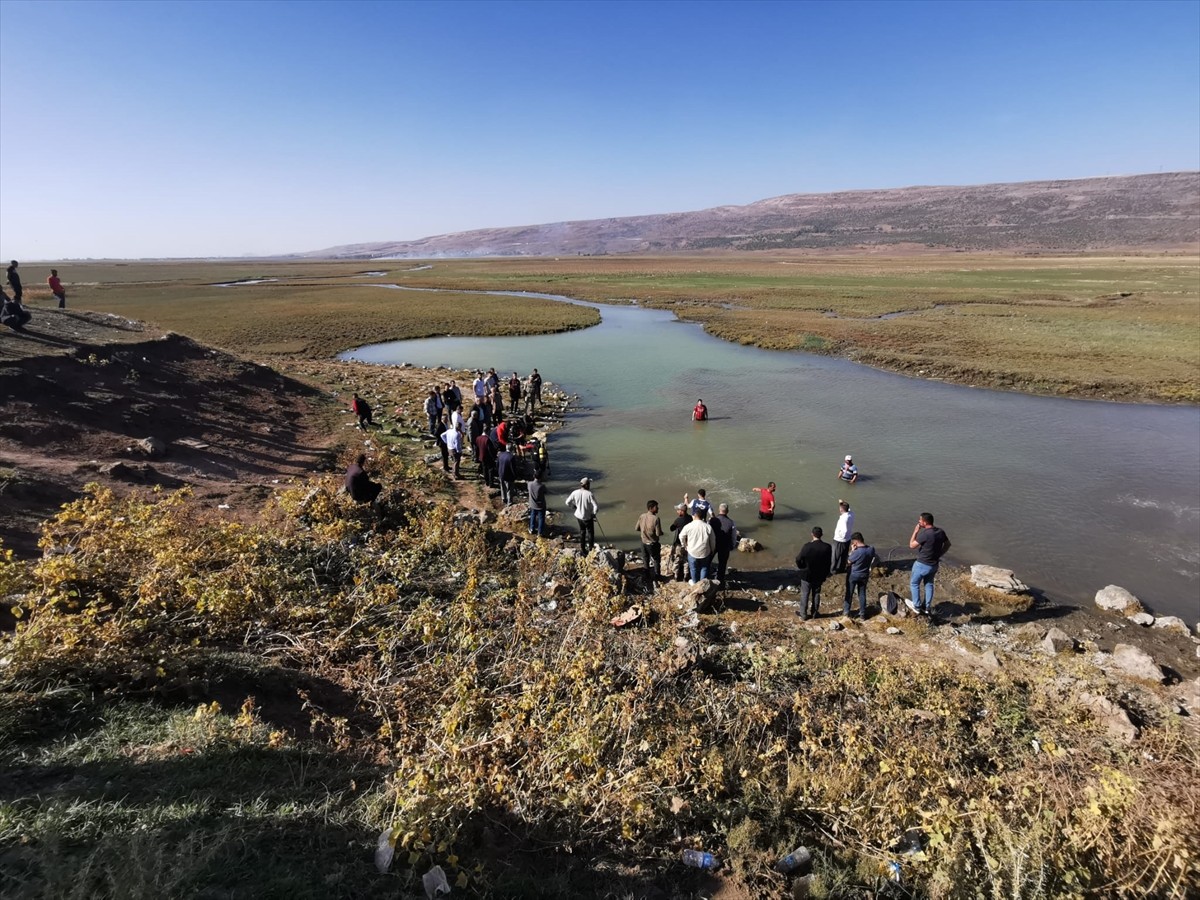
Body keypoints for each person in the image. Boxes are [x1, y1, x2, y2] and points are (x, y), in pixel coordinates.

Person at [908, 512, 951, 616]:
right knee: (929, 584)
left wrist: (915, 531)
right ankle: (927, 607)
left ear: (924, 522)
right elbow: (948, 544)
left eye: (920, 520)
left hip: (922, 564)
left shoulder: (925, 534)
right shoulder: (940, 532)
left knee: (914, 584)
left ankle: (917, 606)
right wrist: (939, 554)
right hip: (934, 565)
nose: (918, 522)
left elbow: (912, 545)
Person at [795, 526, 833, 620]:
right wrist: (826, 573)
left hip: (807, 574)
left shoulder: (807, 546)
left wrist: (801, 567)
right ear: (822, 535)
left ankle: (803, 614)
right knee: (816, 593)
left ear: (812, 534)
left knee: (805, 594)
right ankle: (815, 613)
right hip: (819, 574)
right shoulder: (827, 547)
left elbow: (798, 559)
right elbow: (828, 562)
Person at [678, 508, 717, 584]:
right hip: (705, 552)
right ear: (702, 516)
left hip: (692, 551)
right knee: (704, 568)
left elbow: (681, 536)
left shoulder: (688, 526)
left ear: (693, 516)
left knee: (693, 569)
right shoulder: (707, 527)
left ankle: (695, 583)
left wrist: (685, 545)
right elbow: (713, 540)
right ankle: (702, 584)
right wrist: (712, 549)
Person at [844, 532, 876, 620]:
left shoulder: (857, 552)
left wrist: (852, 551)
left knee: (849, 593)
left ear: (855, 542)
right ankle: (862, 614)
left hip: (854, 575)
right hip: (865, 574)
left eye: (852, 542)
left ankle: (846, 612)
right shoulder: (871, 549)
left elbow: (848, 562)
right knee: (862, 593)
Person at [565, 477, 599, 554]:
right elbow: (596, 507)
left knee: (582, 531)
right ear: (586, 485)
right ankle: (590, 549)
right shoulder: (589, 494)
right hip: (587, 517)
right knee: (590, 533)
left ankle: (583, 549)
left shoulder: (575, 492)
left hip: (578, 516)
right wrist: (594, 514)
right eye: (589, 484)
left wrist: (573, 506)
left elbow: (567, 502)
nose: (590, 485)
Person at [712, 502, 740, 584]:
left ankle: (705, 576)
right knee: (722, 563)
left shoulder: (712, 520)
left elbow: (708, 532)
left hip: (713, 544)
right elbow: (734, 536)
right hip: (725, 545)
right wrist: (733, 545)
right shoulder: (731, 522)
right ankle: (720, 580)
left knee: (708, 560)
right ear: (727, 511)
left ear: (719, 510)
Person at [635, 500, 664, 578]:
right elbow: (658, 533)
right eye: (656, 507)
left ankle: (646, 575)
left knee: (645, 559)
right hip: (652, 544)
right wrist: (662, 533)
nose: (658, 508)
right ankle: (657, 576)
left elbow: (636, 528)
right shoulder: (656, 519)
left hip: (643, 542)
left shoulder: (642, 516)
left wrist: (644, 532)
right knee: (656, 559)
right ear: (651, 508)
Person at [668, 502, 690, 582]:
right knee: (686, 560)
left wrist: (676, 524)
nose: (677, 511)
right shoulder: (690, 518)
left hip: (679, 543)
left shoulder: (678, 520)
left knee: (677, 559)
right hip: (688, 543)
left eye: (678, 510)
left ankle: (676, 575)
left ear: (681, 511)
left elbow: (671, 528)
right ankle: (686, 575)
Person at [831, 500, 855, 575]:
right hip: (848, 539)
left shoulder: (844, 519)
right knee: (844, 556)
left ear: (841, 509)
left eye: (840, 507)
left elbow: (844, 531)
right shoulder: (851, 514)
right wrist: (842, 502)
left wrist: (839, 536)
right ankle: (841, 569)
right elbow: (849, 508)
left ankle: (833, 570)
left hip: (840, 540)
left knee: (835, 556)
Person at [527, 472, 548, 537]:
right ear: (541, 477)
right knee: (541, 518)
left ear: (534, 476)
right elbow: (546, 492)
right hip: (541, 506)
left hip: (532, 504)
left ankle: (531, 529)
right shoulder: (542, 486)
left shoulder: (529, 484)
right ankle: (540, 532)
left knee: (532, 516)